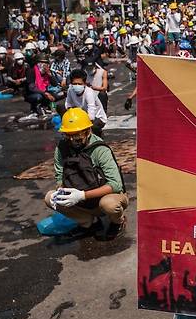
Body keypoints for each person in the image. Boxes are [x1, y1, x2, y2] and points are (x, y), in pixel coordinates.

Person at [44, 108, 127, 239]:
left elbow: (116, 185)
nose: (72, 140)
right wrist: (60, 190)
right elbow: (59, 174)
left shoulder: (100, 149)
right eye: (68, 135)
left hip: (102, 197)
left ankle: (118, 222)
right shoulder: (61, 148)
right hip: (80, 199)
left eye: (77, 135)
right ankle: (89, 223)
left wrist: (82, 195)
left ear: (88, 131)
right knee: (50, 198)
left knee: (110, 205)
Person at [64, 69, 107, 136]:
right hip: (81, 115)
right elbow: (68, 104)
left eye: (79, 84)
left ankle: (98, 133)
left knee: (92, 128)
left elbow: (91, 113)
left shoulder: (89, 92)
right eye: (75, 84)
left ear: (84, 83)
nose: (77, 86)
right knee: (60, 107)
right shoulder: (70, 90)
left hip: (97, 118)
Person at [24, 53, 63, 119]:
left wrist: (50, 75)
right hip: (32, 94)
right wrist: (45, 93)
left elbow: (55, 84)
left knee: (60, 94)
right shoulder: (31, 71)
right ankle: (35, 109)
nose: (44, 65)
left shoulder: (47, 72)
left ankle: (48, 107)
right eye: (41, 62)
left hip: (44, 91)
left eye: (46, 63)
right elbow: (31, 87)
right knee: (39, 97)